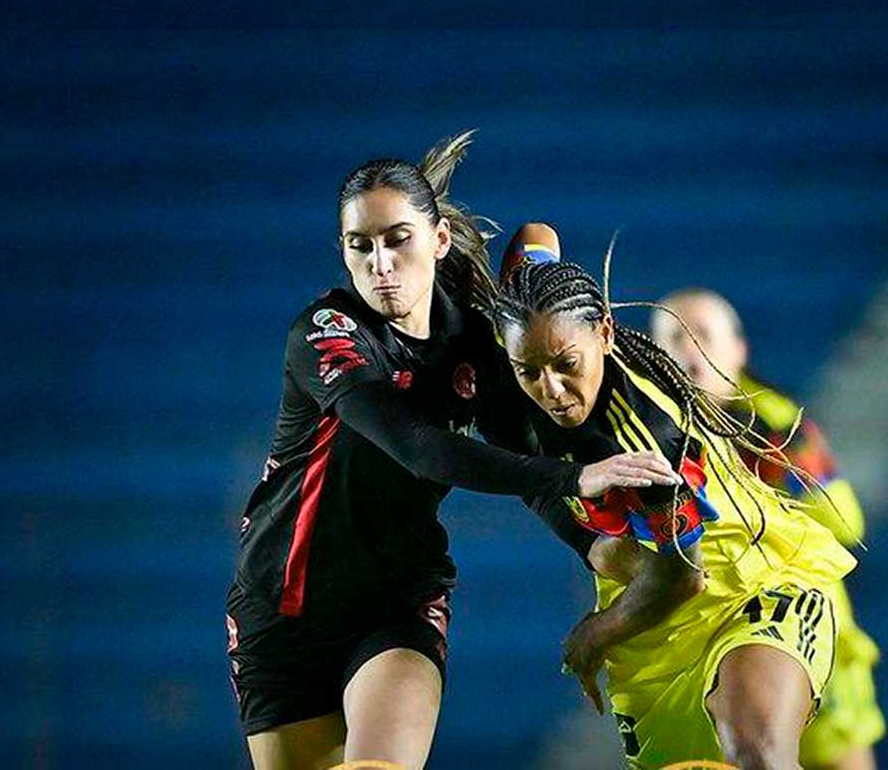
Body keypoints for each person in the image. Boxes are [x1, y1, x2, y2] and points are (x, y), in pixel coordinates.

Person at [225, 136, 677, 770]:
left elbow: (524, 463)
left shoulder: (472, 342)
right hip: (284, 606)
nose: (381, 262)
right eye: (362, 245)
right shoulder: (326, 335)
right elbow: (418, 448)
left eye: (398, 239)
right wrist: (580, 475)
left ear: (437, 241)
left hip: (399, 601)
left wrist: (591, 546)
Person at [490, 231, 856, 770]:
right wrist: (525, 274)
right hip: (654, 641)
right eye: (530, 371)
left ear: (605, 335)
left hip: (747, 587)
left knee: (759, 752)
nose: (551, 389)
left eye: (567, 364)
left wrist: (594, 634)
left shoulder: (648, 441)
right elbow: (535, 236)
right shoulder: (524, 322)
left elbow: (683, 575)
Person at [651, 289, 885, 770]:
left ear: (738, 350)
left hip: (806, 624)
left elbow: (846, 521)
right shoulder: (652, 435)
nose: (690, 350)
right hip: (713, 637)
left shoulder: (776, 427)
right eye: (674, 337)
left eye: (703, 335)